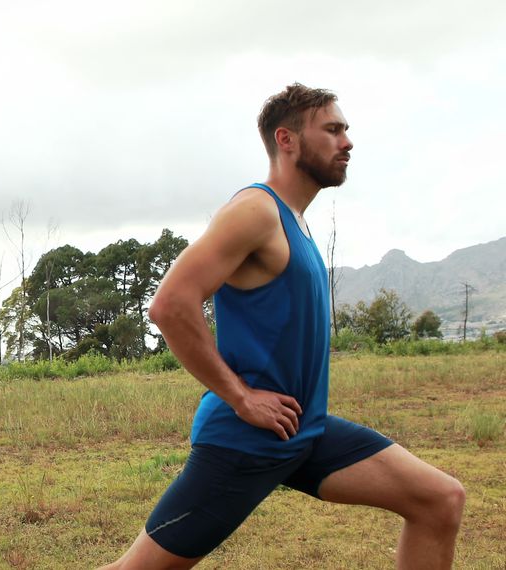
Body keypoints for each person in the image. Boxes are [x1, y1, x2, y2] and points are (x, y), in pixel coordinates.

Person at [99, 84, 465, 569]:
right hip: (244, 444)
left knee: (440, 499)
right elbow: (170, 305)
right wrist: (240, 397)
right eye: (332, 130)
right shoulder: (256, 211)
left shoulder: (297, 221)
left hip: (303, 432)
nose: (347, 141)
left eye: (346, 130)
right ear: (287, 140)